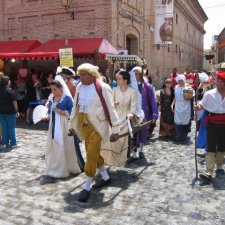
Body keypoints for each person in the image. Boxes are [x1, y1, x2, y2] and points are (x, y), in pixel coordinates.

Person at [70, 63, 120, 202]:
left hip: (98, 125)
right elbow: (75, 105)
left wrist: (115, 129)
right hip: (84, 124)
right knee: (93, 152)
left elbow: (111, 109)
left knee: (91, 154)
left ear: (92, 75)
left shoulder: (103, 88)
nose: (81, 77)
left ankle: (87, 186)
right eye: (80, 75)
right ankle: (105, 177)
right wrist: (72, 124)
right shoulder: (79, 86)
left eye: (84, 75)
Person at [40, 80, 81, 184]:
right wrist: (46, 116)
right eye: (52, 89)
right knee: (53, 146)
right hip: (53, 125)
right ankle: (54, 167)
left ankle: (64, 168)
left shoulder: (66, 99)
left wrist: (62, 112)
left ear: (61, 88)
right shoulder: (51, 98)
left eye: (55, 89)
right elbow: (50, 112)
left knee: (63, 145)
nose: (53, 91)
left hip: (63, 125)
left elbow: (73, 113)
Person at [101, 70, 137, 166]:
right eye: (117, 79)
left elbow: (133, 107)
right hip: (115, 118)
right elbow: (110, 104)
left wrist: (130, 115)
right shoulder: (114, 90)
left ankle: (119, 159)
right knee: (110, 138)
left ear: (125, 80)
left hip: (125, 118)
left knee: (120, 140)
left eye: (119, 79)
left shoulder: (132, 92)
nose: (117, 80)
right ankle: (109, 158)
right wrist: (114, 104)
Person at [194, 71, 225, 181]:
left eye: (220, 82)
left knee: (222, 146)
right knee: (211, 146)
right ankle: (209, 171)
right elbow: (201, 105)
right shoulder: (209, 94)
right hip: (212, 123)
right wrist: (197, 107)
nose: (217, 83)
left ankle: (220, 164)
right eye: (217, 81)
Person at [128, 66, 158, 161]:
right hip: (132, 113)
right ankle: (133, 153)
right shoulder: (129, 86)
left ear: (140, 75)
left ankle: (141, 150)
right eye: (133, 74)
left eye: (136, 73)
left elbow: (153, 101)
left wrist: (155, 114)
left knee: (142, 132)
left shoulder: (147, 86)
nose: (134, 75)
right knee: (132, 133)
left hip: (143, 113)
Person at [171, 75, 194, 142]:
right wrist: (172, 104)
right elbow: (175, 97)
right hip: (178, 106)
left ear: (184, 80)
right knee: (177, 121)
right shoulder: (176, 87)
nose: (180, 82)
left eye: (181, 80)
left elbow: (192, 96)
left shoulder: (188, 87)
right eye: (179, 81)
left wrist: (190, 96)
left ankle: (184, 135)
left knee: (185, 121)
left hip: (186, 105)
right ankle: (178, 135)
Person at [0, 76, 19, 150]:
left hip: (1, 111)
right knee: (11, 127)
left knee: (4, 128)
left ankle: (5, 143)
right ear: (7, 82)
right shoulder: (9, 91)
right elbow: (14, 102)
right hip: (10, 112)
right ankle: (13, 143)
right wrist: (17, 110)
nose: (10, 81)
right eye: (9, 80)